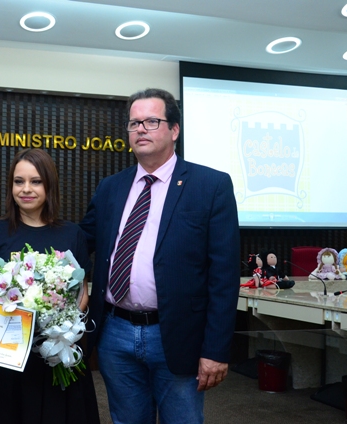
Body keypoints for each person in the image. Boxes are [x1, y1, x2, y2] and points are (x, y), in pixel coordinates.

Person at [80, 88, 240, 424]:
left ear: (174, 130)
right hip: (115, 332)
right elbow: (82, 242)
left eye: (151, 121)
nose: (140, 129)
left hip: (178, 335)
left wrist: (215, 350)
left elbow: (224, 277)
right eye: (134, 123)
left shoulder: (210, 186)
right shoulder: (111, 187)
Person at [0, 148, 100, 424]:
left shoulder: (72, 234)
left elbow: (82, 293)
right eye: (19, 181)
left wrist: (55, 324)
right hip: (5, 356)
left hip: (54, 353)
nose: (26, 189)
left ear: (49, 185)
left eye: (35, 181)